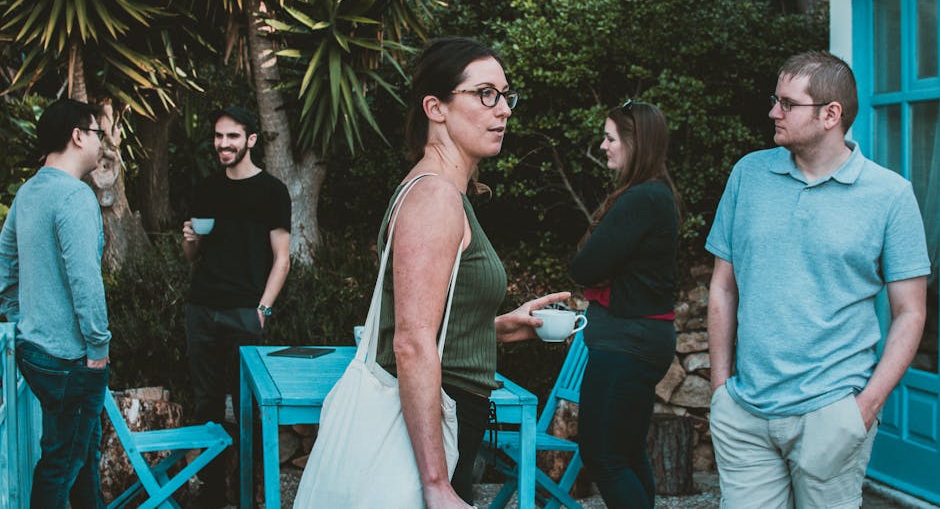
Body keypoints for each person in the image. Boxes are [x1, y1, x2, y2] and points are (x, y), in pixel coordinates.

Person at [706, 51, 930, 508]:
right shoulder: (748, 175)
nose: (773, 112)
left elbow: (911, 312)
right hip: (745, 413)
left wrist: (864, 408)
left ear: (831, 115)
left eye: (788, 103)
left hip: (832, 411)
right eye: (775, 99)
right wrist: (720, 389)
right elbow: (723, 287)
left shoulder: (890, 195)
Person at [373, 37, 571, 508]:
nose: (502, 110)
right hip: (440, 420)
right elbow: (411, 341)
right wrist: (437, 483)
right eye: (485, 94)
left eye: (505, 95)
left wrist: (500, 328)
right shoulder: (435, 198)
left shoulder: (441, 192)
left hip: (449, 416)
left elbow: (435, 325)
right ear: (435, 108)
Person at [0, 98, 111, 508]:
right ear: (78, 136)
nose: (101, 144)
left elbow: (4, 263)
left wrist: (20, 314)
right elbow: (85, 281)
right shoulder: (73, 197)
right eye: (98, 133)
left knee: (80, 459)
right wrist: (98, 349)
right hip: (70, 360)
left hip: (34, 351)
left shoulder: (29, 192)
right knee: (60, 466)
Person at [570, 100, 680, 508]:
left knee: (603, 455)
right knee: (627, 453)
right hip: (639, 341)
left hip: (626, 346)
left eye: (610, 138)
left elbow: (584, 266)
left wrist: (601, 269)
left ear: (636, 144)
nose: (603, 146)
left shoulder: (641, 199)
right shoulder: (656, 196)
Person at [181, 105, 291, 507]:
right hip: (202, 308)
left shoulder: (272, 191)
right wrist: (190, 238)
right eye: (218, 136)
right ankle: (212, 494)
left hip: (246, 311)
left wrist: (262, 309)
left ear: (251, 140)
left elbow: (282, 258)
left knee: (247, 407)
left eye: (231, 136)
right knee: (206, 403)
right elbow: (193, 255)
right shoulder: (207, 187)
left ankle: (249, 493)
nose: (223, 144)